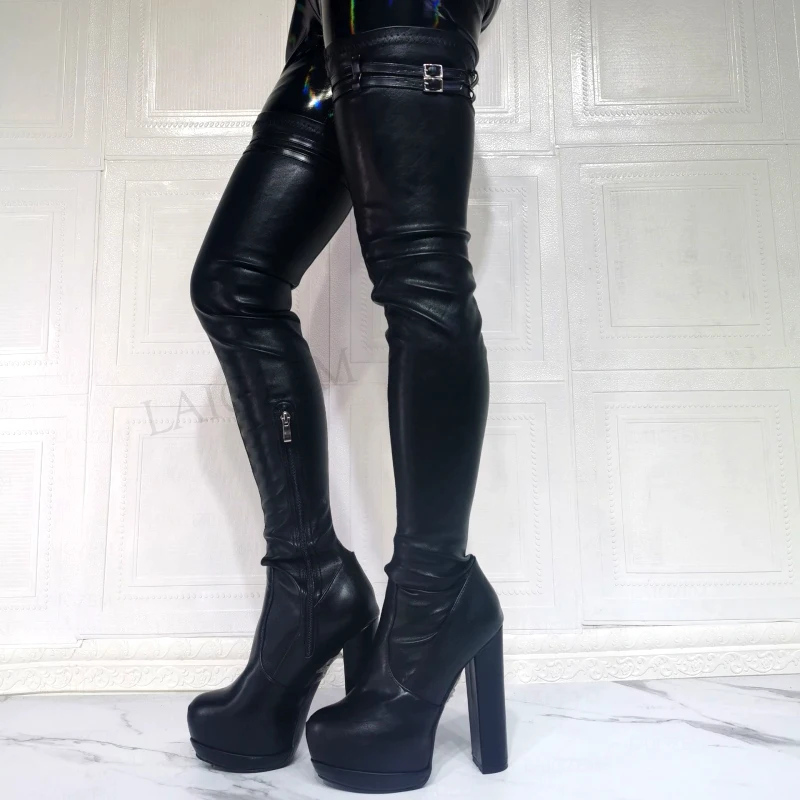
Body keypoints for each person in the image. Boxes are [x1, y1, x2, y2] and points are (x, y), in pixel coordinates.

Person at [186, 0, 506, 792]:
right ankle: (310, 585)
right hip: (323, 29)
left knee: (422, 279)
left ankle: (434, 597)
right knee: (234, 286)